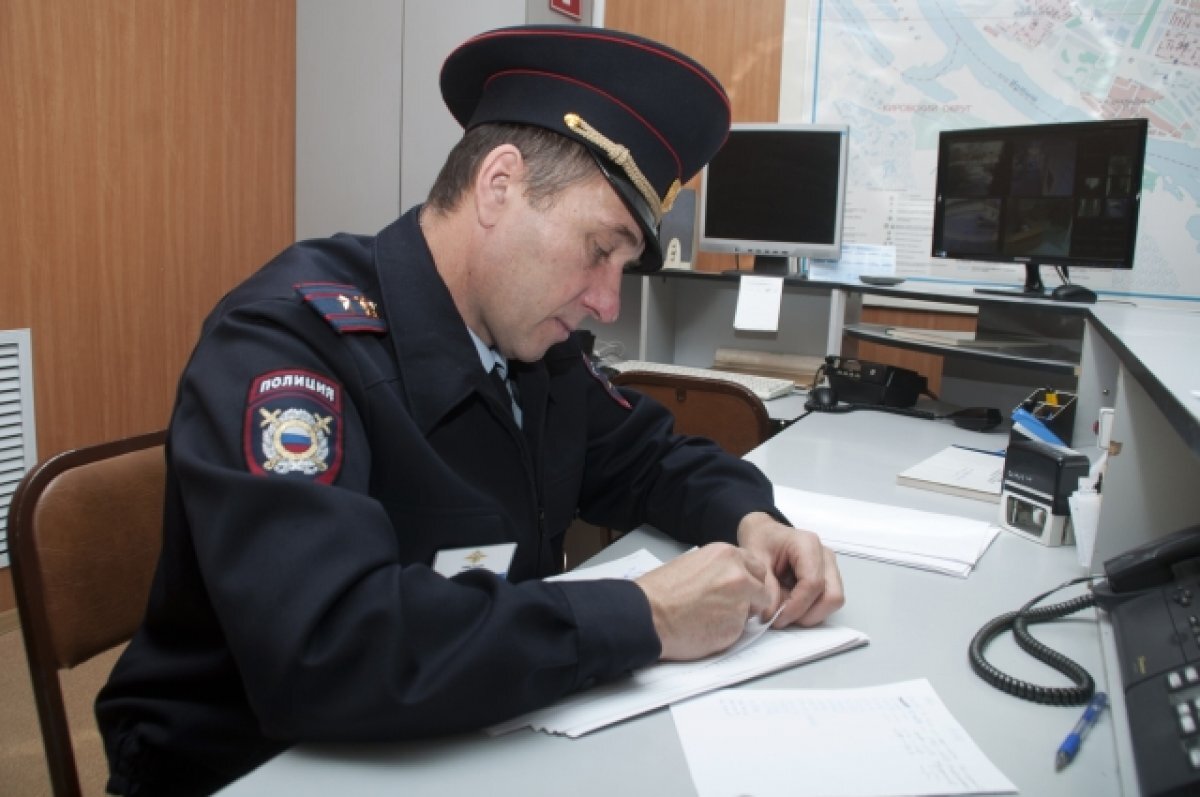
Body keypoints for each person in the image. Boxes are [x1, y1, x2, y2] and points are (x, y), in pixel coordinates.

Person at [96, 24, 844, 796]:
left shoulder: (534, 346)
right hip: (257, 765)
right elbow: (326, 646)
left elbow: (649, 457)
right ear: (499, 186)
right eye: (599, 249)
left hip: (465, 736)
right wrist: (644, 615)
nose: (608, 301)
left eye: (623, 267)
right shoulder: (290, 341)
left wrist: (756, 520)